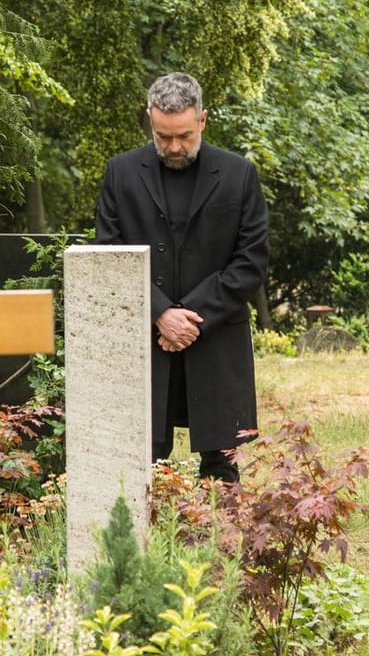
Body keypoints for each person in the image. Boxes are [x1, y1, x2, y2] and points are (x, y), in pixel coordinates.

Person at [93, 72, 269, 482]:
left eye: (184, 136)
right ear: (150, 120)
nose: (173, 147)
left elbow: (251, 261)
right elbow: (109, 253)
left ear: (203, 120)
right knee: (140, 463)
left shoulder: (239, 174)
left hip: (216, 337)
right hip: (146, 343)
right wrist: (159, 314)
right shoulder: (120, 173)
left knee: (222, 465)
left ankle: (222, 545)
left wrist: (189, 315)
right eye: (163, 136)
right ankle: (143, 546)